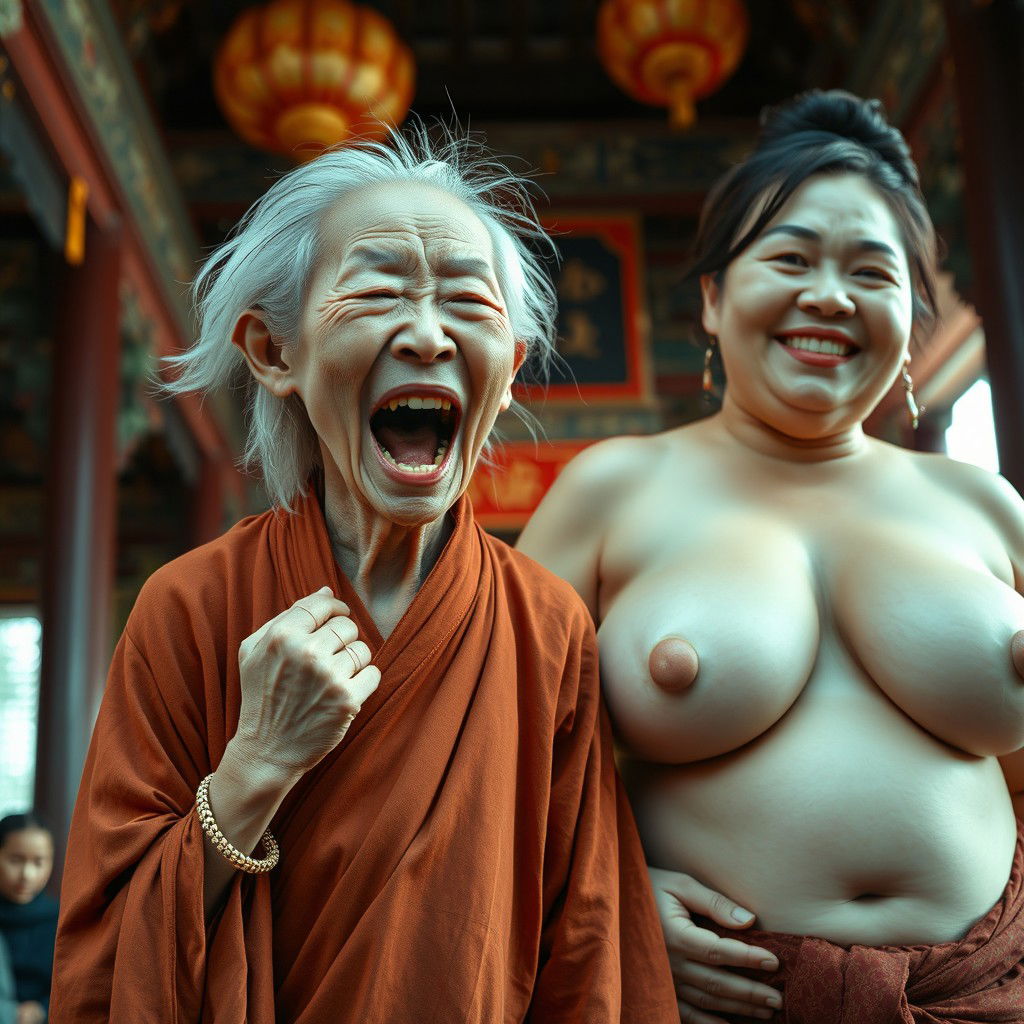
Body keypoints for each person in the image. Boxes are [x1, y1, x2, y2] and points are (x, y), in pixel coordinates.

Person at [49, 128, 676, 1023]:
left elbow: (588, 949)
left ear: (509, 372)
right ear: (275, 354)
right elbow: (107, 967)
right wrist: (257, 764)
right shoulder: (190, 607)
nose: (426, 334)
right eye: (378, 293)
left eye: (469, 301)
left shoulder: (546, 624)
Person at [518, 90, 1024, 1023]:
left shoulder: (985, 506)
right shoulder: (614, 488)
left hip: (985, 991)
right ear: (713, 298)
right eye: (790, 258)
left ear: (913, 317)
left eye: (871, 272)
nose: (829, 295)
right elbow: (500, 750)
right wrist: (606, 890)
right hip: (717, 995)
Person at [0, 814, 58, 1024]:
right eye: (15, 860)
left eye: (38, 862)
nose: (27, 874)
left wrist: (41, 1009)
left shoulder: (61, 921)